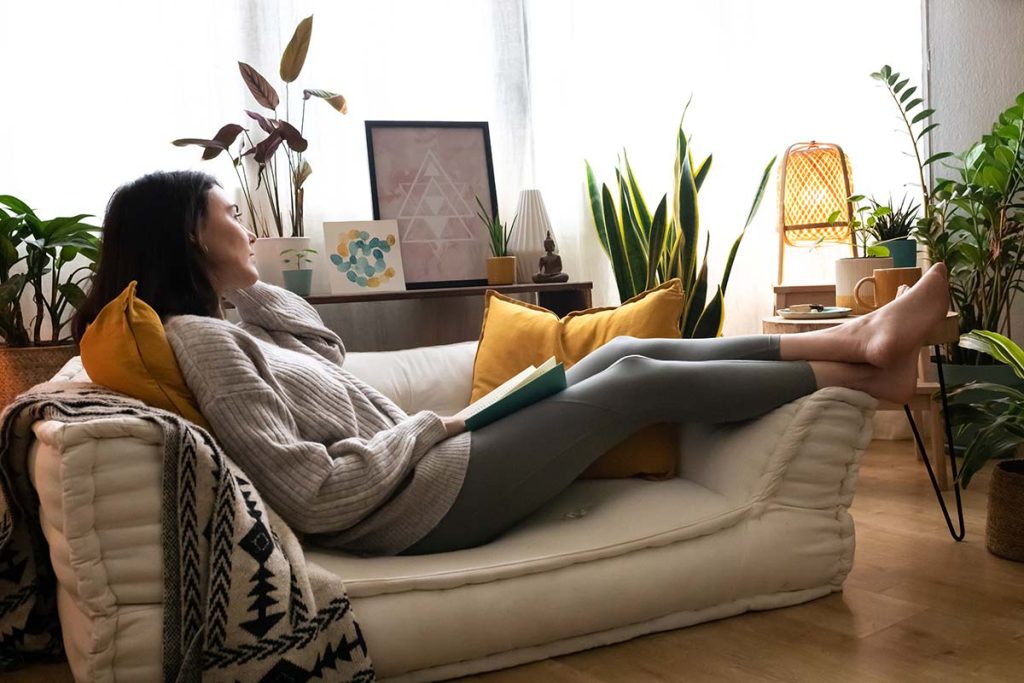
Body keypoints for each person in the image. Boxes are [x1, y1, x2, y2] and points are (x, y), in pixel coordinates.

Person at [71, 171, 951, 557]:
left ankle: (859, 349)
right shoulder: (205, 342)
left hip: (434, 467)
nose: (249, 224)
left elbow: (327, 356)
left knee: (630, 347)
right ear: (192, 233)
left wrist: (247, 287)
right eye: (230, 212)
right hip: (416, 501)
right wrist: (436, 427)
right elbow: (308, 490)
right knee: (637, 383)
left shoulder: (231, 322)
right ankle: (866, 360)